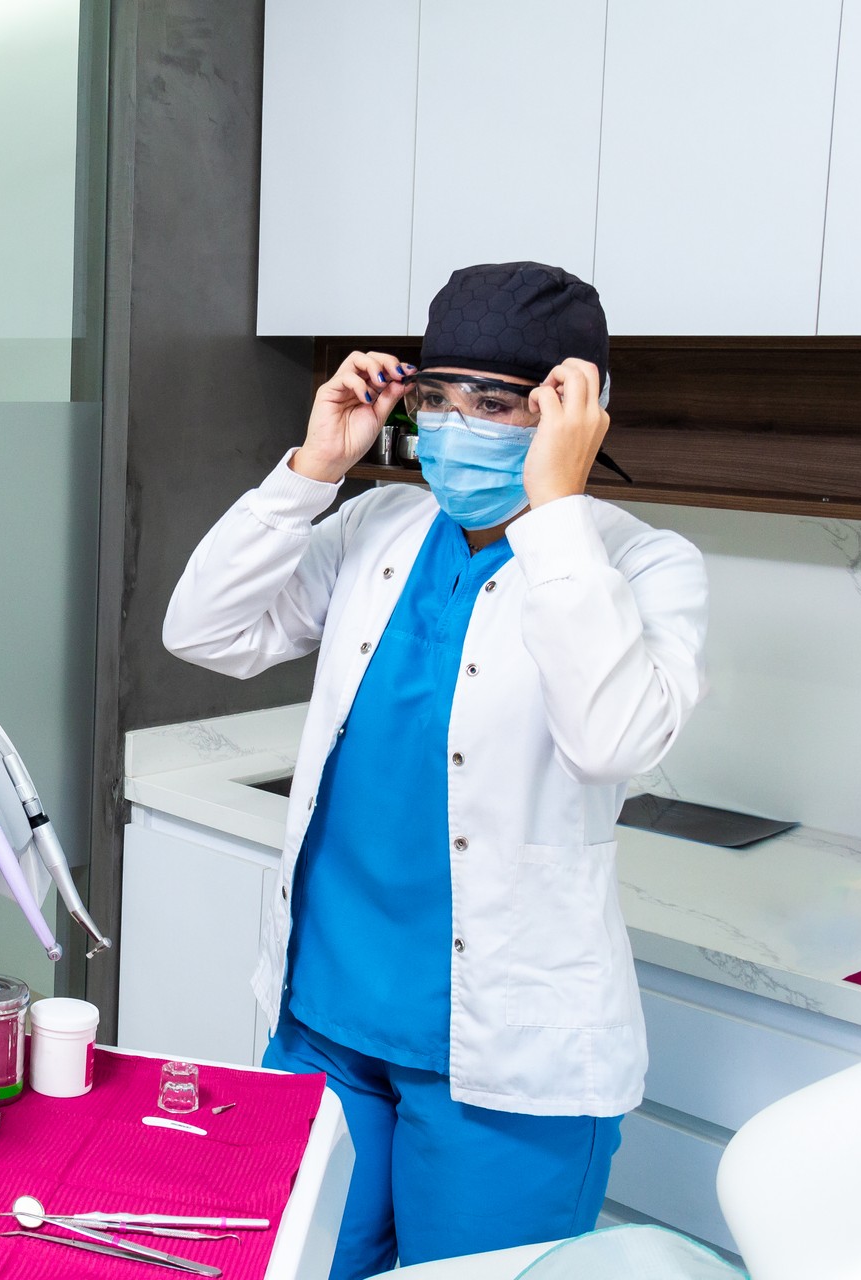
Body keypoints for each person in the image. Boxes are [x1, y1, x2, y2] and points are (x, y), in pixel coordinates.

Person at [163, 262, 708, 1278]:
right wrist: (310, 472)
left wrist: (554, 513)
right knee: (306, 1264)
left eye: (494, 403)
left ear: (570, 409)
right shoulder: (379, 525)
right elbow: (205, 630)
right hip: (325, 1016)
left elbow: (613, 740)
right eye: (437, 398)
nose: (456, 428)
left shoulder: (642, 565)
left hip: (502, 1064)